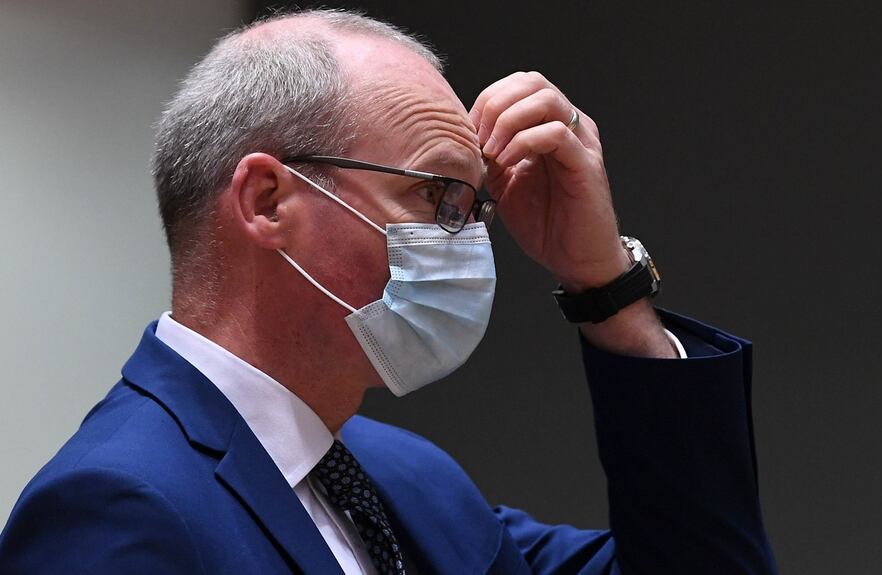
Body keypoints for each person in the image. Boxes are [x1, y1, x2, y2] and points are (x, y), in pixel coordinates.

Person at [0, 9, 776, 574]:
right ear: (269, 201)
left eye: (475, 209)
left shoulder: (405, 475)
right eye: (437, 195)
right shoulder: (118, 506)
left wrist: (607, 287)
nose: (469, 239)